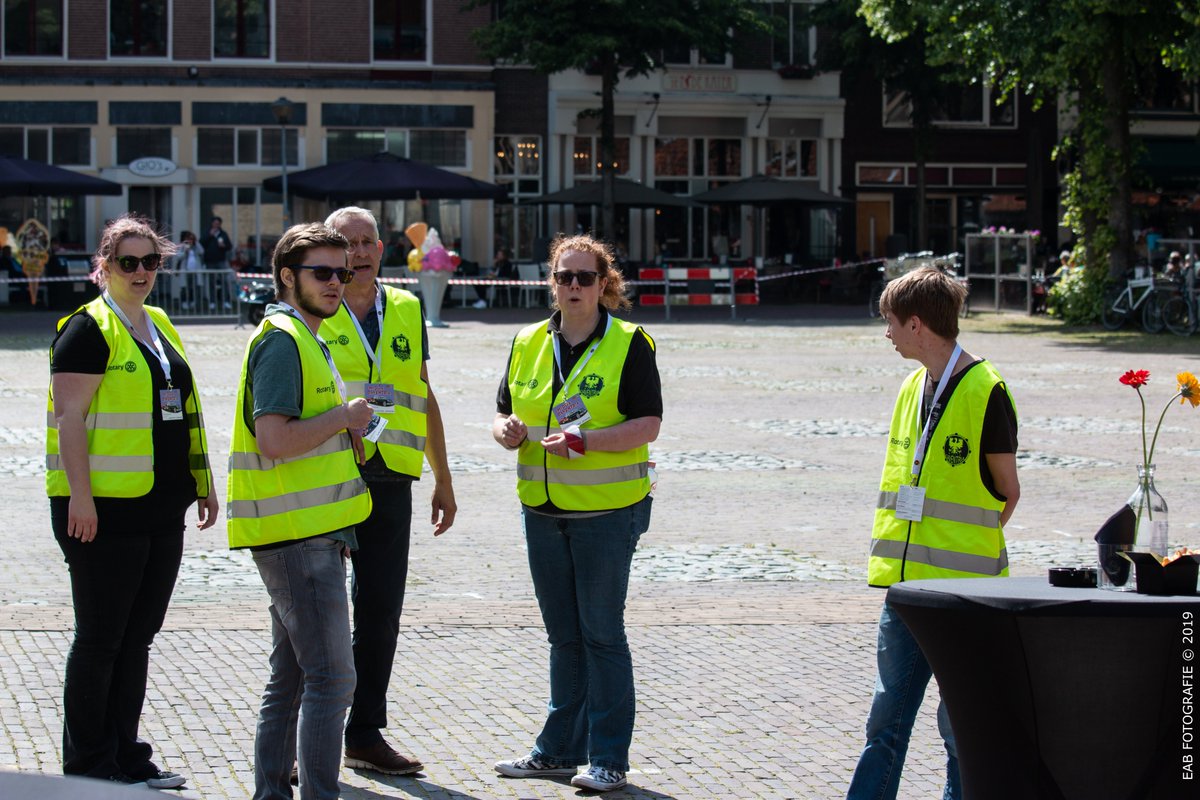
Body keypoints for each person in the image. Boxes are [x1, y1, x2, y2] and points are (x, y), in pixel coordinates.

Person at [46, 214, 218, 790]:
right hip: (102, 511)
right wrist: (81, 498)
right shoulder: (87, 328)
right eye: (129, 262)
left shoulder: (160, 323)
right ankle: (89, 765)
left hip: (160, 505)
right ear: (106, 265)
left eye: (151, 261)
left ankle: (126, 754)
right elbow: (70, 420)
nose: (141, 271)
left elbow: (180, 409)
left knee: (137, 638)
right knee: (100, 639)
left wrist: (203, 481)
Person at [491, 234, 661, 793]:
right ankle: (559, 751)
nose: (573, 287)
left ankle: (609, 757)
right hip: (541, 509)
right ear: (551, 282)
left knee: (602, 636)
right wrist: (508, 432)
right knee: (563, 638)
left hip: (606, 514)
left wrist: (587, 442)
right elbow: (501, 415)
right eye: (563, 277)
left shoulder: (630, 343)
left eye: (584, 278)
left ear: (604, 284)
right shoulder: (526, 341)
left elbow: (648, 425)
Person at [847, 267, 1020, 800]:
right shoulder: (910, 385)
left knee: (959, 725)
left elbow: (1008, 492)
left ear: (916, 324)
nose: (887, 334)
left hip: (965, 593)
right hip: (906, 589)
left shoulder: (986, 391)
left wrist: (959, 549)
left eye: (890, 323)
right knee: (886, 719)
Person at [227, 223, 375, 800]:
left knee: (290, 680)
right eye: (323, 272)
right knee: (333, 680)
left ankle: (272, 793)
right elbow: (275, 439)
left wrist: (345, 432)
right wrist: (342, 419)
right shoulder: (284, 339)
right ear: (288, 277)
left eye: (344, 271)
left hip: (308, 531)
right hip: (297, 537)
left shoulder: (304, 337)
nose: (337, 282)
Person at [320, 206, 457, 777]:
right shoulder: (313, 305)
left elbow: (422, 395)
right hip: (326, 477)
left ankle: (364, 732)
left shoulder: (405, 307)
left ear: (382, 249)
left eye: (366, 242)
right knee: (316, 615)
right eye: (346, 244)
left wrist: (444, 478)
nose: (357, 253)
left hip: (391, 479)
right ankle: (312, 739)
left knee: (380, 613)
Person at [201, 216, 234, 311]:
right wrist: (210, 235)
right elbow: (201, 243)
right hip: (210, 261)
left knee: (224, 281)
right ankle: (212, 302)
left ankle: (226, 301)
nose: (216, 225)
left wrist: (224, 246)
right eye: (215, 223)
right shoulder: (207, 232)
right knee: (211, 282)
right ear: (212, 224)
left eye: (218, 223)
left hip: (221, 261)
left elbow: (229, 246)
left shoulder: (223, 234)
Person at [168, 231, 204, 310]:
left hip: (195, 271)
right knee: (184, 288)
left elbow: (202, 251)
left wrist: (196, 242)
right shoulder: (182, 247)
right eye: (188, 239)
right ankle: (184, 302)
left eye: (191, 239)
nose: (190, 241)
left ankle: (192, 302)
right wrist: (185, 251)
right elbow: (178, 256)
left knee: (194, 287)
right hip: (185, 271)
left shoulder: (196, 246)